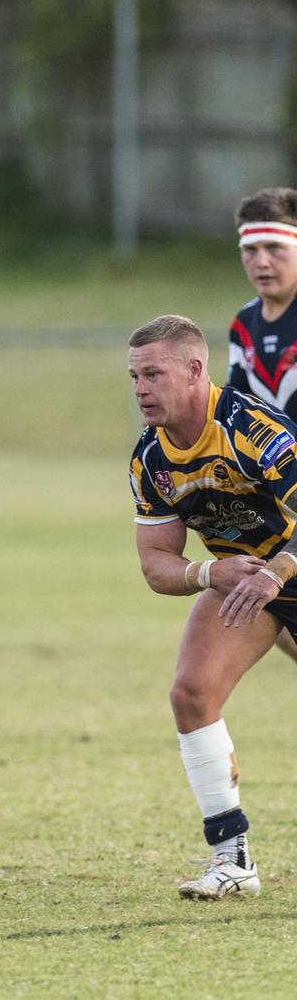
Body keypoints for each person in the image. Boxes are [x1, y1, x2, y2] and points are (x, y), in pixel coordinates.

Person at [128, 314, 297, 900]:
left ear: (196, 370)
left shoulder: (255, 429)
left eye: (154, 374)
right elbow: (156, 563)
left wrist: (277, 571)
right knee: (192, 693)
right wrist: (210, 571)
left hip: (284, 571)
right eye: (135, 377)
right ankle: (233, 860)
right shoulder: (150, 460)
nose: (141, 389)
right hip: (246, 584)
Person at [227, 187, 297, 661]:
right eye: (251, 249)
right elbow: (235, 415)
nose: (262, 261)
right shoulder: (244, 326)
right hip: (277, 500)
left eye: (276, 248)